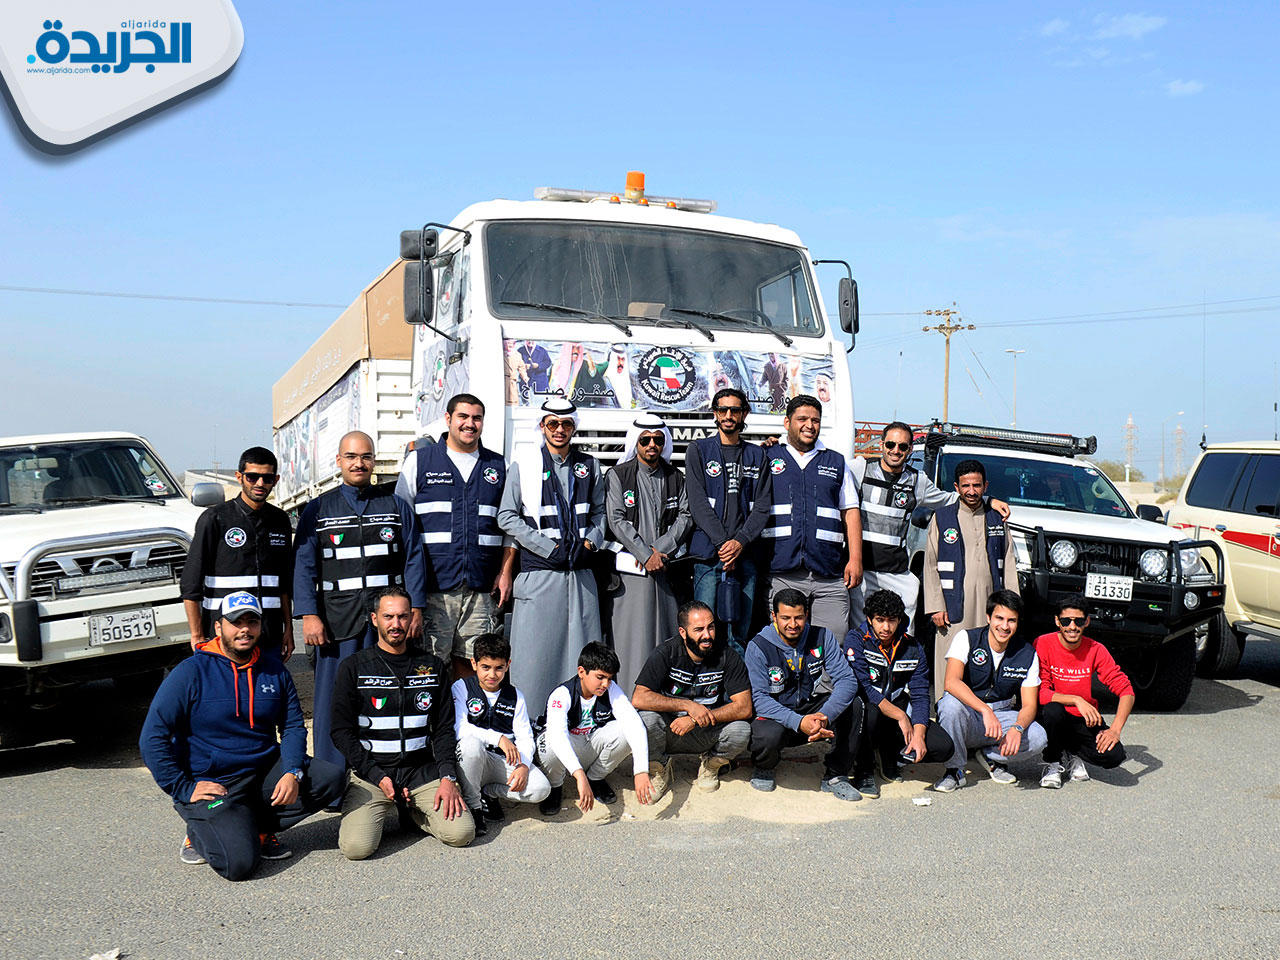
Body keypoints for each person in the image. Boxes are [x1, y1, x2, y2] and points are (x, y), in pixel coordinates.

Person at [139, 592, 345, 880]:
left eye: (252, 621)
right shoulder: (191, 672)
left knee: (331, 778)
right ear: (219, 627)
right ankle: (199, 829)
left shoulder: (274, 671)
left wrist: (292, 772)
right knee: (238, 865)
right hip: (216, 783)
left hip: (262, 772)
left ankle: (257, 828)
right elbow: (152, 736)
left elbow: (294, 726)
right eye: (236, 622)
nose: (244, 629)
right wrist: (183, 788)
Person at [293, 430, 428, 769]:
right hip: (337, 623)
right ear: (338, 461)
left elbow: (413, 558)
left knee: (387, 695)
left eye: (365, 456)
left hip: (388, 623)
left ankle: (393, 772)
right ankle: (332, 776)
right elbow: (304, 565)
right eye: (351, 457)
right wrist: (309, 614)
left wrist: (416, 610)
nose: (359, 463)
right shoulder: (318, 509)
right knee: (335, 700)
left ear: (374, 461)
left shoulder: (396, 506)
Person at [329, 586, 474, 857]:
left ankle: (413, 812)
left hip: (421, 772)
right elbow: (340, 731)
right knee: (357, 849)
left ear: (411, 618)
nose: (396, 624)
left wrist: (447, 777)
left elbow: (443, 729)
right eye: (388, 617)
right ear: (374, 619)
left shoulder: (431, 666)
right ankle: (378, 807)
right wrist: (376, 775)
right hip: (372, 774)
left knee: (462, 834)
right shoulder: (353, 667)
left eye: (403, 617)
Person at [395, 393, 517, 679]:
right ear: (448, 419)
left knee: (474, 667)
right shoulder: (419, 462)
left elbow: (510, 527)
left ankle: (469, 722)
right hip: (433, 589)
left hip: (480, 589)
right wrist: (411, 592)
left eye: (476, 418)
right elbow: (402, 527)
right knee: (428, 667)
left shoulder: (499, 467)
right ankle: (433, 724)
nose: (469, 424)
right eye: (462, 416)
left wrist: (505, 572)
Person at [850, 422, 1010, 638]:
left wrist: (988, 500)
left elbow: (950, 499)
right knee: (862, 636)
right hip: (862, 571)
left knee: (903, 636)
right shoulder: (860, 469)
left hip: (897, 572)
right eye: (891, 444)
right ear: (881, 445)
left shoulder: (918, 481)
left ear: (908, 450)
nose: (896, 450)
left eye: (903, 446)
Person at [498, 398, 607, 711]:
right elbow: (507, 516)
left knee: (582, 657)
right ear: (542, 427)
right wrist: (548, 548)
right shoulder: (525, 463)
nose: (560, 430)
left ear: (574, 427)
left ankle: (580, 725)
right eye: (552, 424)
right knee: (536, 659)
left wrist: (591, 543)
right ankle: (530, 726)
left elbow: (600, 513)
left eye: (566, 424)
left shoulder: (590, 465)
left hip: (581, 577)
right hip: (541, 573)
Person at [745, 588, 864, 800]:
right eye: (785, 618)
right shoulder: (758, 646)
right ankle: (764, 766)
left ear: (806, 615)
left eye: (799, 617)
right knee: (766, 734)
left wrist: (824, 716)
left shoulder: (822, 636)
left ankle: (837, 775)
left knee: (854, 705)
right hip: (777, 715)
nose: (793, 624)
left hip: (813, 713)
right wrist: (799, 722)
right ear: (774, 617)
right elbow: (759, 699)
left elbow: (846, 680)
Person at [181, 446, 294, 661]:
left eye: (267, 478)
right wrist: (197, 634)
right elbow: (190, 583)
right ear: (239, 476)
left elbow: (284, 584)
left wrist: (287, 630)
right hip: (225, 636)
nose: (260, 484)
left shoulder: (279, 520)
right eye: (252, 477)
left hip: (268, 634)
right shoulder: (215, 518)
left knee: (267, 693)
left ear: (276, 479)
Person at [604, 413, 692, 687]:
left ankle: (662, 697)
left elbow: (686, 516)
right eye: (645, 440)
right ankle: (629, 696)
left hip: (665, 569)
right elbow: (615, 519)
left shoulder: (677, 477)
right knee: (631, 637)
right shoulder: (618, 475)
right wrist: (645, 555)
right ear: (636, 442)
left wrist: (659, 551)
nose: (651, 445)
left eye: (657, 439)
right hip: (631, 572)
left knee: (664, 634)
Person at [684, 387, 773, 656]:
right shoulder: (698, 450)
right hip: (709, 557)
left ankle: (736, 693)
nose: (729, 415)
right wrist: (724, 544)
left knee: (739, 632)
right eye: (723, 410)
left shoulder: (757, 455)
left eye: (735, 410)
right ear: (715, 413)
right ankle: (704, 689)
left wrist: (740, 543)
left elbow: (762, 506)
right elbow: (698, 504)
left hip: (745, 557)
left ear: (744, 413)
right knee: (704, 631)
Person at [765, 395, 863, 638]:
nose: (810, 425)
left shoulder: (836, 461)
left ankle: (826, 680)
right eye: (802, 419)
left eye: (815, 420)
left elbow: (850, 512)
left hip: (828, 574)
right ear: (787, 423)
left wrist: (855, 559)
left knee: (833, 641)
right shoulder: (767, 457)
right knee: (783, 643)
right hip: (782, 572)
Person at [631, 600, 752, 797]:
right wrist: (687, 705)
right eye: (698, 629)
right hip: (670, 729)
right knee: (645, 720)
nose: (707, 635)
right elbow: (639, 698)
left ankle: (711, 765)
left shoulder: (727, 656)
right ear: (682, 632)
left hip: (706, 731)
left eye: (711, 627)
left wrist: (695, 718)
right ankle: (660, 769)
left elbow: (744, 707)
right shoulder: (666, 652)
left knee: (741, 730)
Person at [922, 458, 1019, 701]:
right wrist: (935, 606)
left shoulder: (998, 518)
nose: (971, 491)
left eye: (977, 486)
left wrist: (1012, 605)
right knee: (951, 656)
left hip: (990, 604)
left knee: (984, 656)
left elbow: (1008, 561)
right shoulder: (942, 518)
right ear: (956, 487)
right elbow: (930, 563)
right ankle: (946, 709)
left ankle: (985, 709)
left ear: (985, 486)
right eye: (966, 486)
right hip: (953, 606)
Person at [843, 589, 955, 799]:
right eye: (880, 620)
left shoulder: (913, 647)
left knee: (943, 747)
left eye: (892, 620)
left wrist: (919, 735)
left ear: (900, 620)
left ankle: (889, 756)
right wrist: (901, 716)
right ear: (869, 619)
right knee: (868, 709)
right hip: (868, 710)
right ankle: (863, 769)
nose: (886, 627)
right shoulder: (856, 639)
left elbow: (921, 694)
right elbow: (864, 687)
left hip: (895, 710)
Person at [933, 590, 1047, 791]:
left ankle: (991, 755)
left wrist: (1017, 728)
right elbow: (951, 682)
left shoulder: (1027, 653)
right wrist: (984, 710)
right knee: (949, 704)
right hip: (968, 713)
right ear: (988, 617)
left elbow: (1029, 705)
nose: (1004, 626)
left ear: (1018, 622)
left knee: (1039, 737)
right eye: (999, 618)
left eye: (1011, 620)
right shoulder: (967, 638)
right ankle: (955, 770)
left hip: (1002, 714)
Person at [451, 633, 551, 834]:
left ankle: (489, 793)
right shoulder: (462, 687)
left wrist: (523, 763)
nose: (492, 675)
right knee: (470, 745)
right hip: (472, 759)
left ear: (508, 665)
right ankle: (475, 807)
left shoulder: (515, 696)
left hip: (500, 761)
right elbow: (459, 728)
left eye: (499, 668)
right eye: (485, 667)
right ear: (474, 664)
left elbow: (525, 736)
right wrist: (498, 738)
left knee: (541, 789)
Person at [538, 642, 653, 815]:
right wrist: (578, 775)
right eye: (600, 677)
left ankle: (596, 778)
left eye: (609, 678)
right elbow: (557, 737)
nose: (606, 683)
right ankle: (555, 786)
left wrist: (641, 770)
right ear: (581, 672)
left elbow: (634, 724)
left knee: (627, 731)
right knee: (549, 741)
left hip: (591, 744)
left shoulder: (611, 689)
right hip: (569, 747)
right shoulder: (562, 694)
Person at [1035, 596, 1134, 789]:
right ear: (1057, 621)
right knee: (1053, 711)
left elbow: (1126, 691)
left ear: (1087, 621)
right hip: (1054, 715)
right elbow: (1041, 693)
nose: (1072, 627)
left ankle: (1073, 752)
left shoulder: (1096, 649)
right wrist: (1076, 699)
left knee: (1114, 756)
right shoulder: (1043, 643)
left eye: (1078, 621)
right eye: (1066, 621)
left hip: (1084, 720)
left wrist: (1114, 730)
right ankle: (1053, 761)